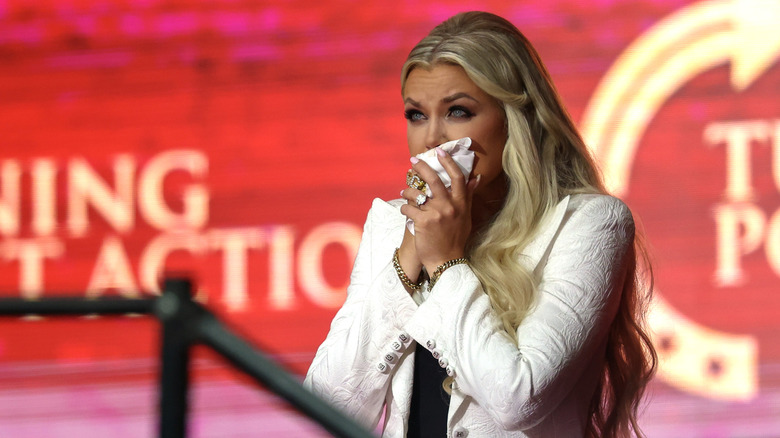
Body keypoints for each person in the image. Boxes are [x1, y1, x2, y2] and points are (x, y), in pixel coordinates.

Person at [304, 11, 656, 438]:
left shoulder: (589, 223)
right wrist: (411, 253)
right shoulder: (390, 225)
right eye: (415, 115)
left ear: (515, 119)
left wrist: (447, 261)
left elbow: (519, 400)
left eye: (457, 111)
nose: (432, 138)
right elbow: (324, 405)